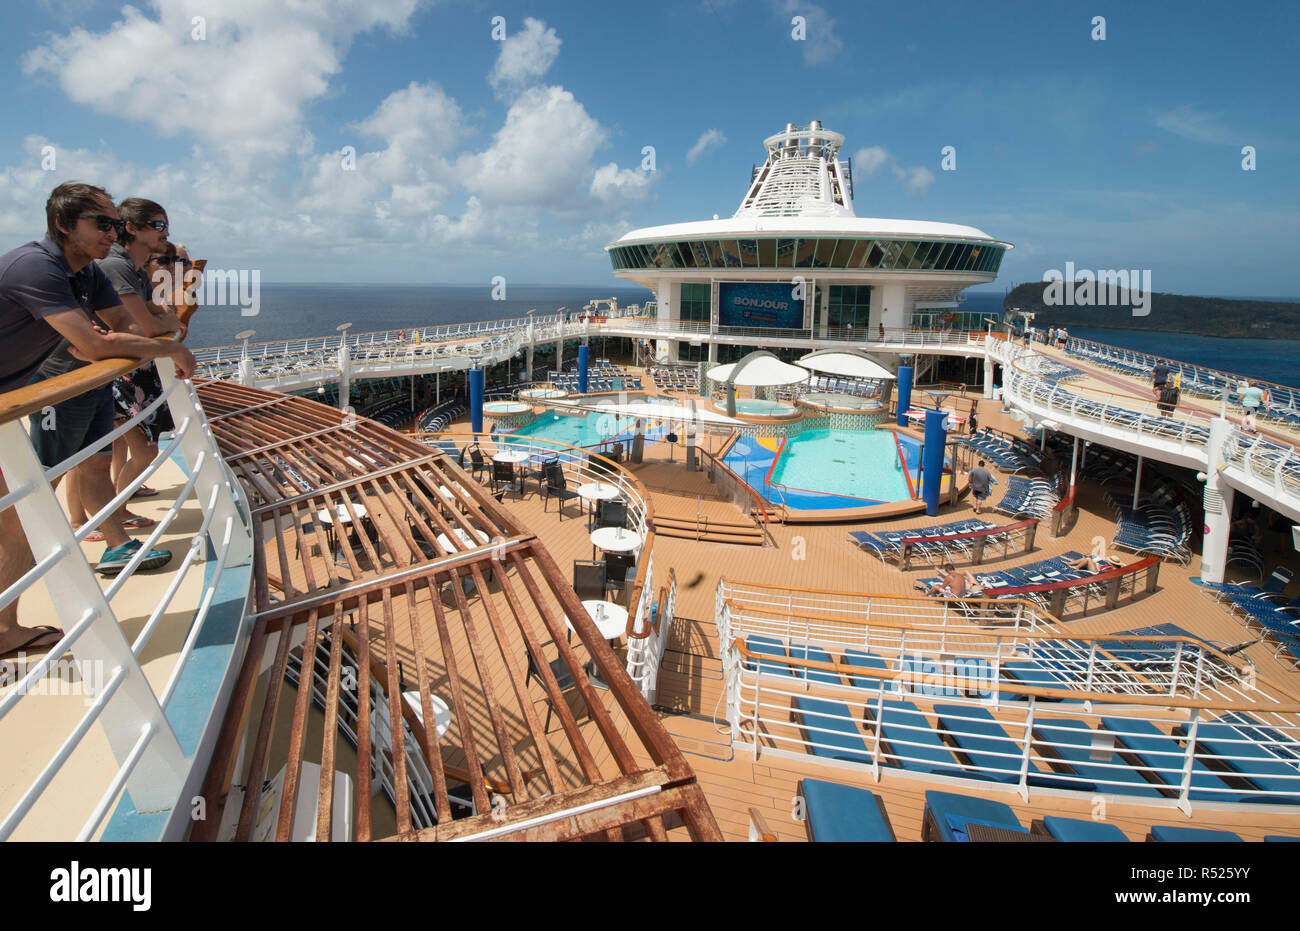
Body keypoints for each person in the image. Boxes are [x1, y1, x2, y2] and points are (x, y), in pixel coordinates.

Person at [0, 183, 197, 659]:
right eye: (102, 223)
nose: (114, 231)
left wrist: (140, 336)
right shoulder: (36, 266)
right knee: (22, 514)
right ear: (64, 225)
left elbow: (126, 330)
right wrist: (172, 346)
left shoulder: (86, 273)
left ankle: (6, 629)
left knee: (21, 515)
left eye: (114, 223)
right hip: (20, 401)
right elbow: (96, 345)